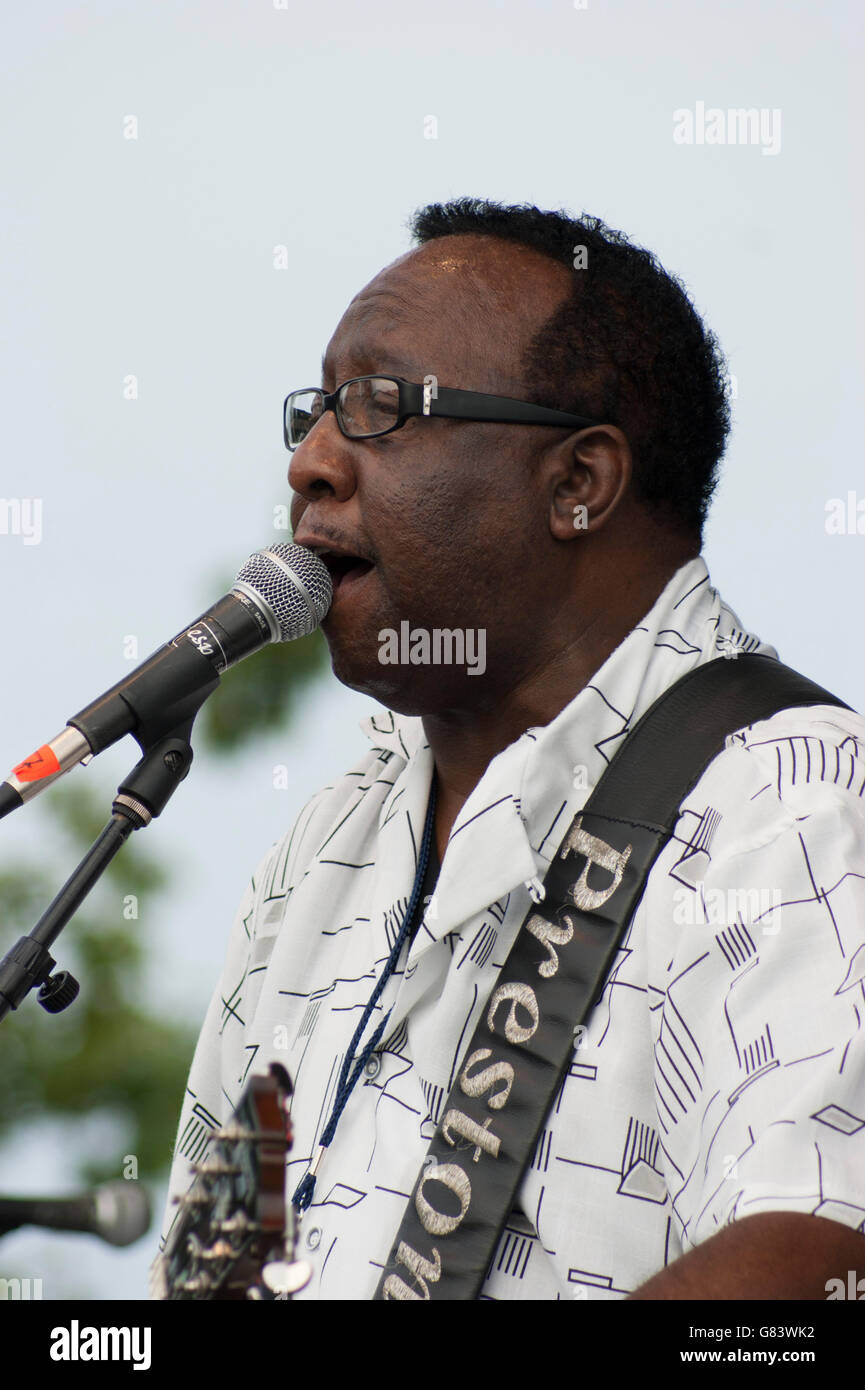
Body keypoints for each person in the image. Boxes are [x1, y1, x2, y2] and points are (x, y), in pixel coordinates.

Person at [156, 198, 865, 1300]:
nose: (311, 462)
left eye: (380, 407)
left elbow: (819, 1263)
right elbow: (203, 1267)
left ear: (577, 483)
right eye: (315, 411)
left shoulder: (795, 802)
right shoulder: (324, 844)